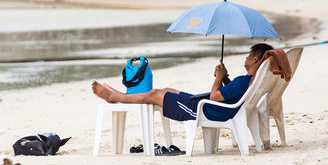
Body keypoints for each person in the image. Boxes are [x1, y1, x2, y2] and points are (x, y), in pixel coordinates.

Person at [92, 43, 273, 122]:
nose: (247, 58)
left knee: (156, 94)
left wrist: (218, 78)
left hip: (207, 111)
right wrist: (225, 78)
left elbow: (216, 96)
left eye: (249, 55)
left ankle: (115, 96)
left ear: (256, 60)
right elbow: (232, 94)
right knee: (167, 90)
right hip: (213, 108)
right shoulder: (247, 81)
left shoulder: (244, 80)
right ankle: (120, 96)